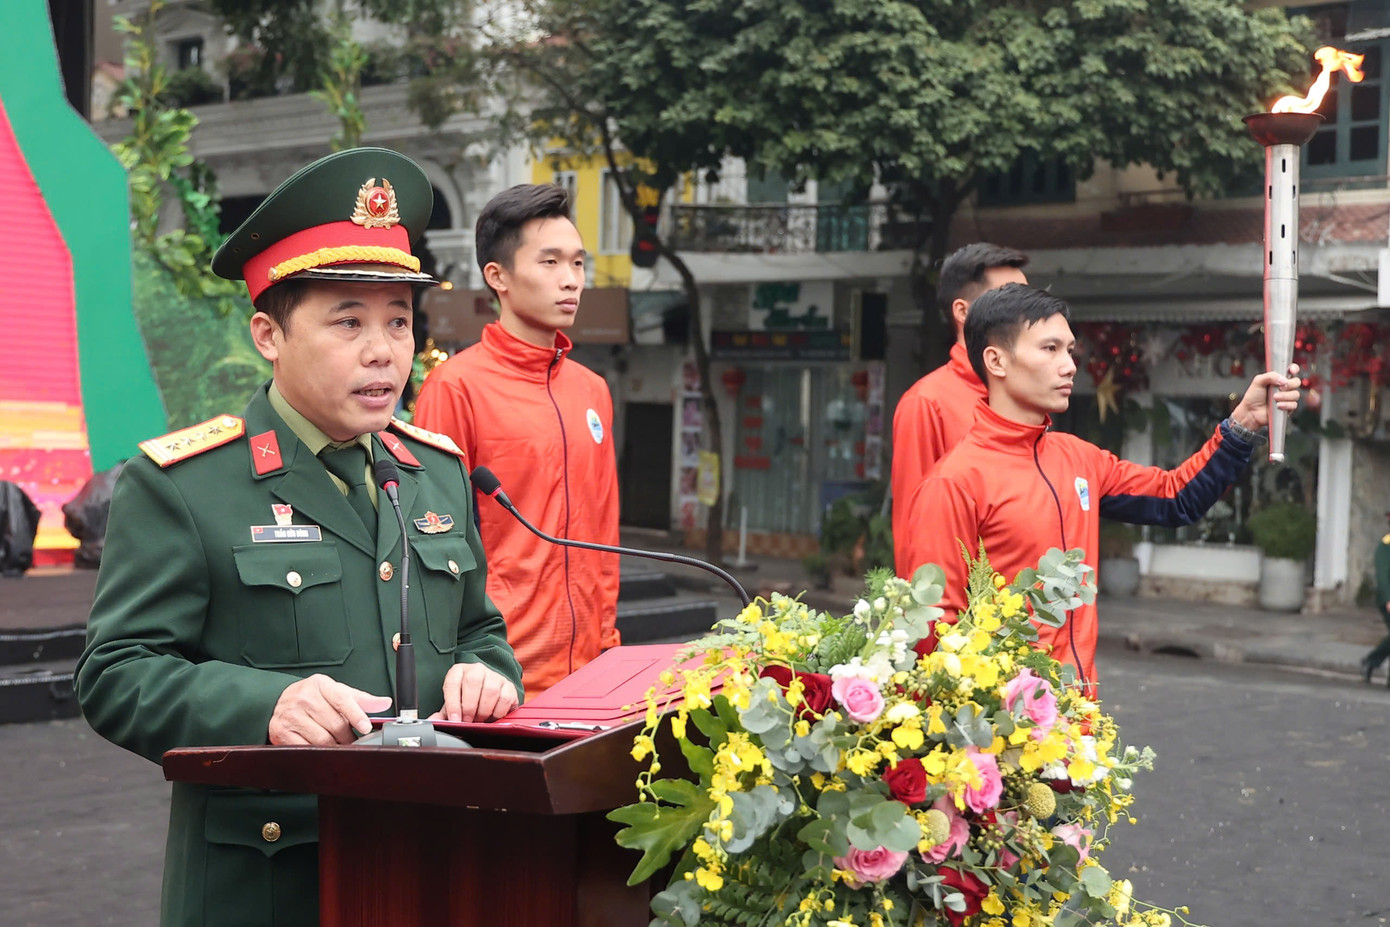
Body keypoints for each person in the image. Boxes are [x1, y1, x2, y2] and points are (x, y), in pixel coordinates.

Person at [75, 148, 523, 927]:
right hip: (271, 884)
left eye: (398, 321)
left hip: (433, 869)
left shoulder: (435, 473)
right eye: (348, 321)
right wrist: (264, 703)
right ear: (268, 334)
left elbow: (480, 628)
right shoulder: (183, 484)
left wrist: (488, 672)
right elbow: (115, 674)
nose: (383, 350)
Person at [899, 283, 1301, 696]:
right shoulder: (953, 483)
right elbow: (933, 630)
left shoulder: (1079, 459)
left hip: (1077, 724)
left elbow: (1176, 498)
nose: (1070, 365)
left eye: (1070, 350)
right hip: (1003, 733)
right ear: (996, 360)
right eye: (1050, 348)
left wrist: (1242, 424)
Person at [414, 184, 619, 699]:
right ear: (497, 276)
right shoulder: (456, 387)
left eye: (577, 264)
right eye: (550, 262)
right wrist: (464, 662)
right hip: (497, 676)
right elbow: (430, 542)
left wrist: (609, 644)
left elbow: (604, 532)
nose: (570, 281)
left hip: (593, 672)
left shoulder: (592, 391)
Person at [891, 243, 1029, 577]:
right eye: (1009, 299)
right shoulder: (927, 402)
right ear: (963, 312)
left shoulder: (1028, 397)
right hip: (970, 618)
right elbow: (913, 530)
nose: (1028, 311)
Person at [1359, 511, 1390, 685]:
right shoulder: (1386, 545)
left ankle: (1370, 662)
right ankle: (1371, 661)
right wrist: (1388, 598)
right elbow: (1383, 575)